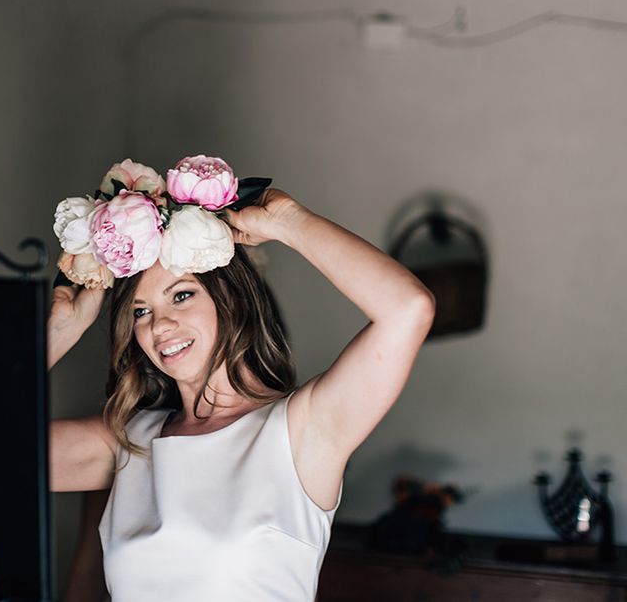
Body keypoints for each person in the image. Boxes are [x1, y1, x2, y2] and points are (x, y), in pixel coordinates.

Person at [48, 168, 435, 601]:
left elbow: (408, 309)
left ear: (230, 298)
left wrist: (287, 221)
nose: (160, 325)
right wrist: (56, 334)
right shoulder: (128, 442)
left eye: (181, 295)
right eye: (140, 311)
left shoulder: (300, 432)